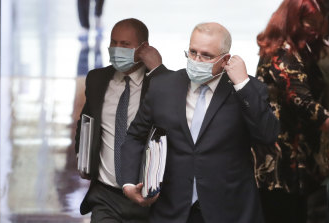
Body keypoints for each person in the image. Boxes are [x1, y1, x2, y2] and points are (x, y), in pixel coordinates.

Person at [121, 22, 279, 223]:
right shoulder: (163, 86)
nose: (197, 60)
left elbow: (268, 135)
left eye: (206, 55)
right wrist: (128, 182)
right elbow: (135, 135)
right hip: (171, 209)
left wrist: (242, 85)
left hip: (230, 211)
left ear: (225, 60)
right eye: (193, 52)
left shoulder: (247, 90)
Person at [74, 18, 166, 223]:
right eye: (113, 42)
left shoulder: (159, 84)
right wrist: (82, 158)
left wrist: (158, 69)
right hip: (105, 196)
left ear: (143, 48)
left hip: (147, 196)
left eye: (125, 44)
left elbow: (173, 116)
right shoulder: (97, 79)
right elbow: (85, 122)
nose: (117, 49)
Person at [251, 0, 329, 222]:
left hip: (298, 161)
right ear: (292, 21)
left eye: (318, 22)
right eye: (308, 22)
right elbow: (304, 103)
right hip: (278, 162)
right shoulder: (281, 53)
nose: (314, 29)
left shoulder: (301, 52)